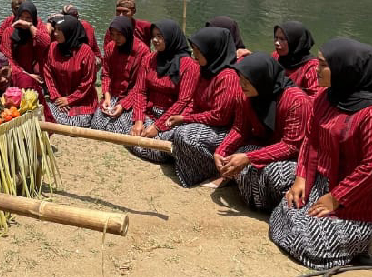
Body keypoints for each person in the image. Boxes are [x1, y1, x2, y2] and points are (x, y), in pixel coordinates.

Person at [269, 38, 372, 270]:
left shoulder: (368, 114)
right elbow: (311, 138)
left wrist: (337, 198)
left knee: (310, 239)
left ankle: (364, 243)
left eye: (324, 65)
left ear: (345, 69)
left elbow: (370, 167)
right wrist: (301, 176)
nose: (317, 69)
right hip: (322, 181)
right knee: (280, 192)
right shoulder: (325, 98)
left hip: (356, 199)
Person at [214, 53, 311, 211]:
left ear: (262, 79)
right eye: (240, 79)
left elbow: (291, 146)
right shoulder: (246, 96)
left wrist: (249, 158)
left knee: (272, 173)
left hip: (295, 159)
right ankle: (254, 203)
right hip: (267, 146)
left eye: (247, 81)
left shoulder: (296, 101)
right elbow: (240, 129)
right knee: (235, 157)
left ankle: (275, 207)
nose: (242, 84)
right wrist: (221, 151)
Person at [165, 27, 245, 186]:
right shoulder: (205, 71)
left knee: (185, 136)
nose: (194, 55)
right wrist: (177, 119)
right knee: (167, 136)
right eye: (194, 50)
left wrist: (184, 119)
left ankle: (213, 170)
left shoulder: (228, 76)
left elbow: (219, 117)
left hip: (222, 129)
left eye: (198, 52)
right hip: (204, 122)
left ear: (212, 51)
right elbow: (194, 102)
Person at [128, 19, 199, 162]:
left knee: (154, 148)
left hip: (171, 118)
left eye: (160, 36)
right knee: (122, 125)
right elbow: (140, 91)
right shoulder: (149, 59)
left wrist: (158, 127)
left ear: (171, 38)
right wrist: (139, 121)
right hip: (149, 112)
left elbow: (183, 101)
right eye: (153, 36)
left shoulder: (189, 66)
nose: (155, 40)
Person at [90, 16, 148, 133]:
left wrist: (123, 105)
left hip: (132, 97)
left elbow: (139, 86)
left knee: (118, 128)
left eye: (119, 35)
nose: (115, 39)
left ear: (127, 33)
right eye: (113, 34)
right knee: (96, 124)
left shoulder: (143, 51)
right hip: (112, 95)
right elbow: (106, 74)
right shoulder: (111, 47)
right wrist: (107, 97)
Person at [0, 0, 51, 119]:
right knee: (25, 81)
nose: (24, 21)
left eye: (28, 18)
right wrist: (25, 73)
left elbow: (46, 43)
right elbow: (8, 59)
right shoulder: (9, 31)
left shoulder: (38, 27)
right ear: (17, 17)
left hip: (38, 73)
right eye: (22, 17)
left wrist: (31, 27)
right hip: (17, 73)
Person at [43, 15, 97, 127]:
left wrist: (69, 100)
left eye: (60, 30)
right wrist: (57, 97)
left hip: (82, 101)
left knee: (76, 122)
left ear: (69, 32)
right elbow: (48, 75)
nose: (55, 34)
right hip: (59, 99)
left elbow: (88, 82)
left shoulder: (86, 52)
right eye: (55, 29)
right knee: (43, 112)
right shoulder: (53, 48)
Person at [273, 21, 319, 97]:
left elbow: (314, 99)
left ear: (294, 42)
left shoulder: (312, 68)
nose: (277, 43)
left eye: (282, 39)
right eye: (276, 38)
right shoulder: (276, 56)